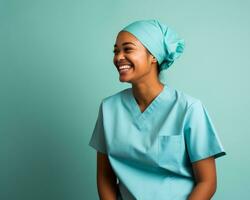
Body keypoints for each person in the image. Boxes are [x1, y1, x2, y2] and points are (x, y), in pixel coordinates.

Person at [89, 19, 226, 200]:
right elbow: (105, 177)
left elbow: (207, 182)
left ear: (153, 56)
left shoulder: (188, 109)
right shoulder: (109, 109)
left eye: (127, 49)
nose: (118, 57)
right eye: (116, 51)